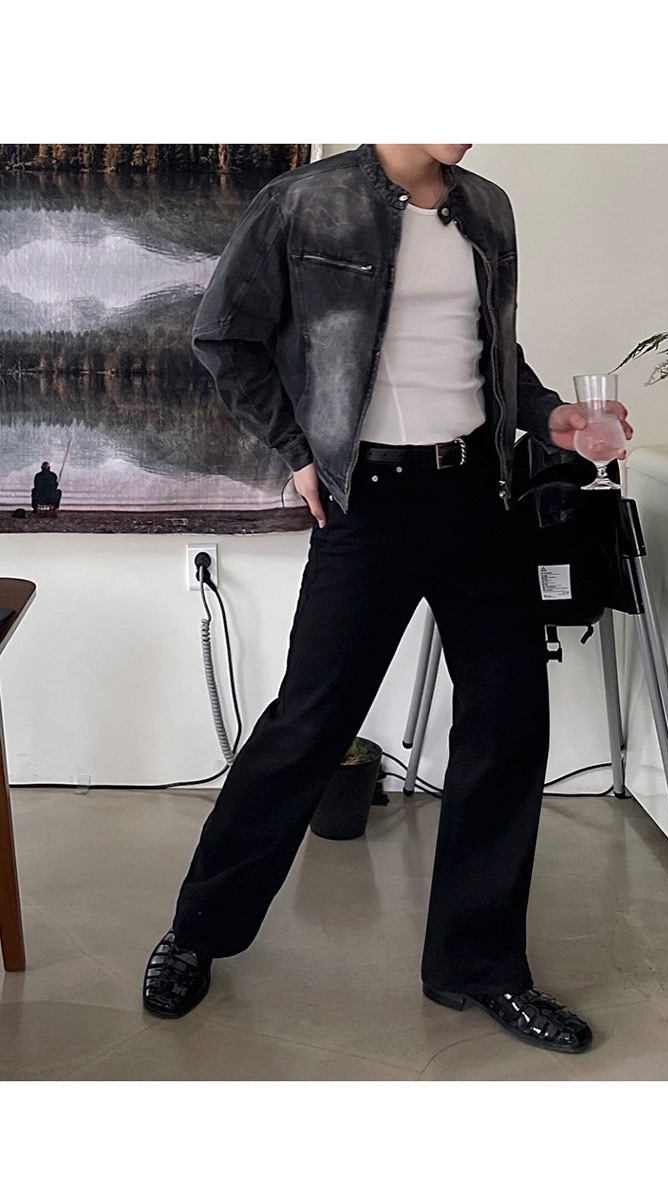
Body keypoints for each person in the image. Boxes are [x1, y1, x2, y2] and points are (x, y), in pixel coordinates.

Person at [143, 144, 632, 1053]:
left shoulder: (488, 207)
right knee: (308, 723)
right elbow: (225, 336)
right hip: (366, 501)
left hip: (478, 496)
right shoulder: (304, 202)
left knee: (508, 725)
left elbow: (493, 350)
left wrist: (549, 414)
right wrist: (297, 451)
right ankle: (198, 931)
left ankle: (479, 963)